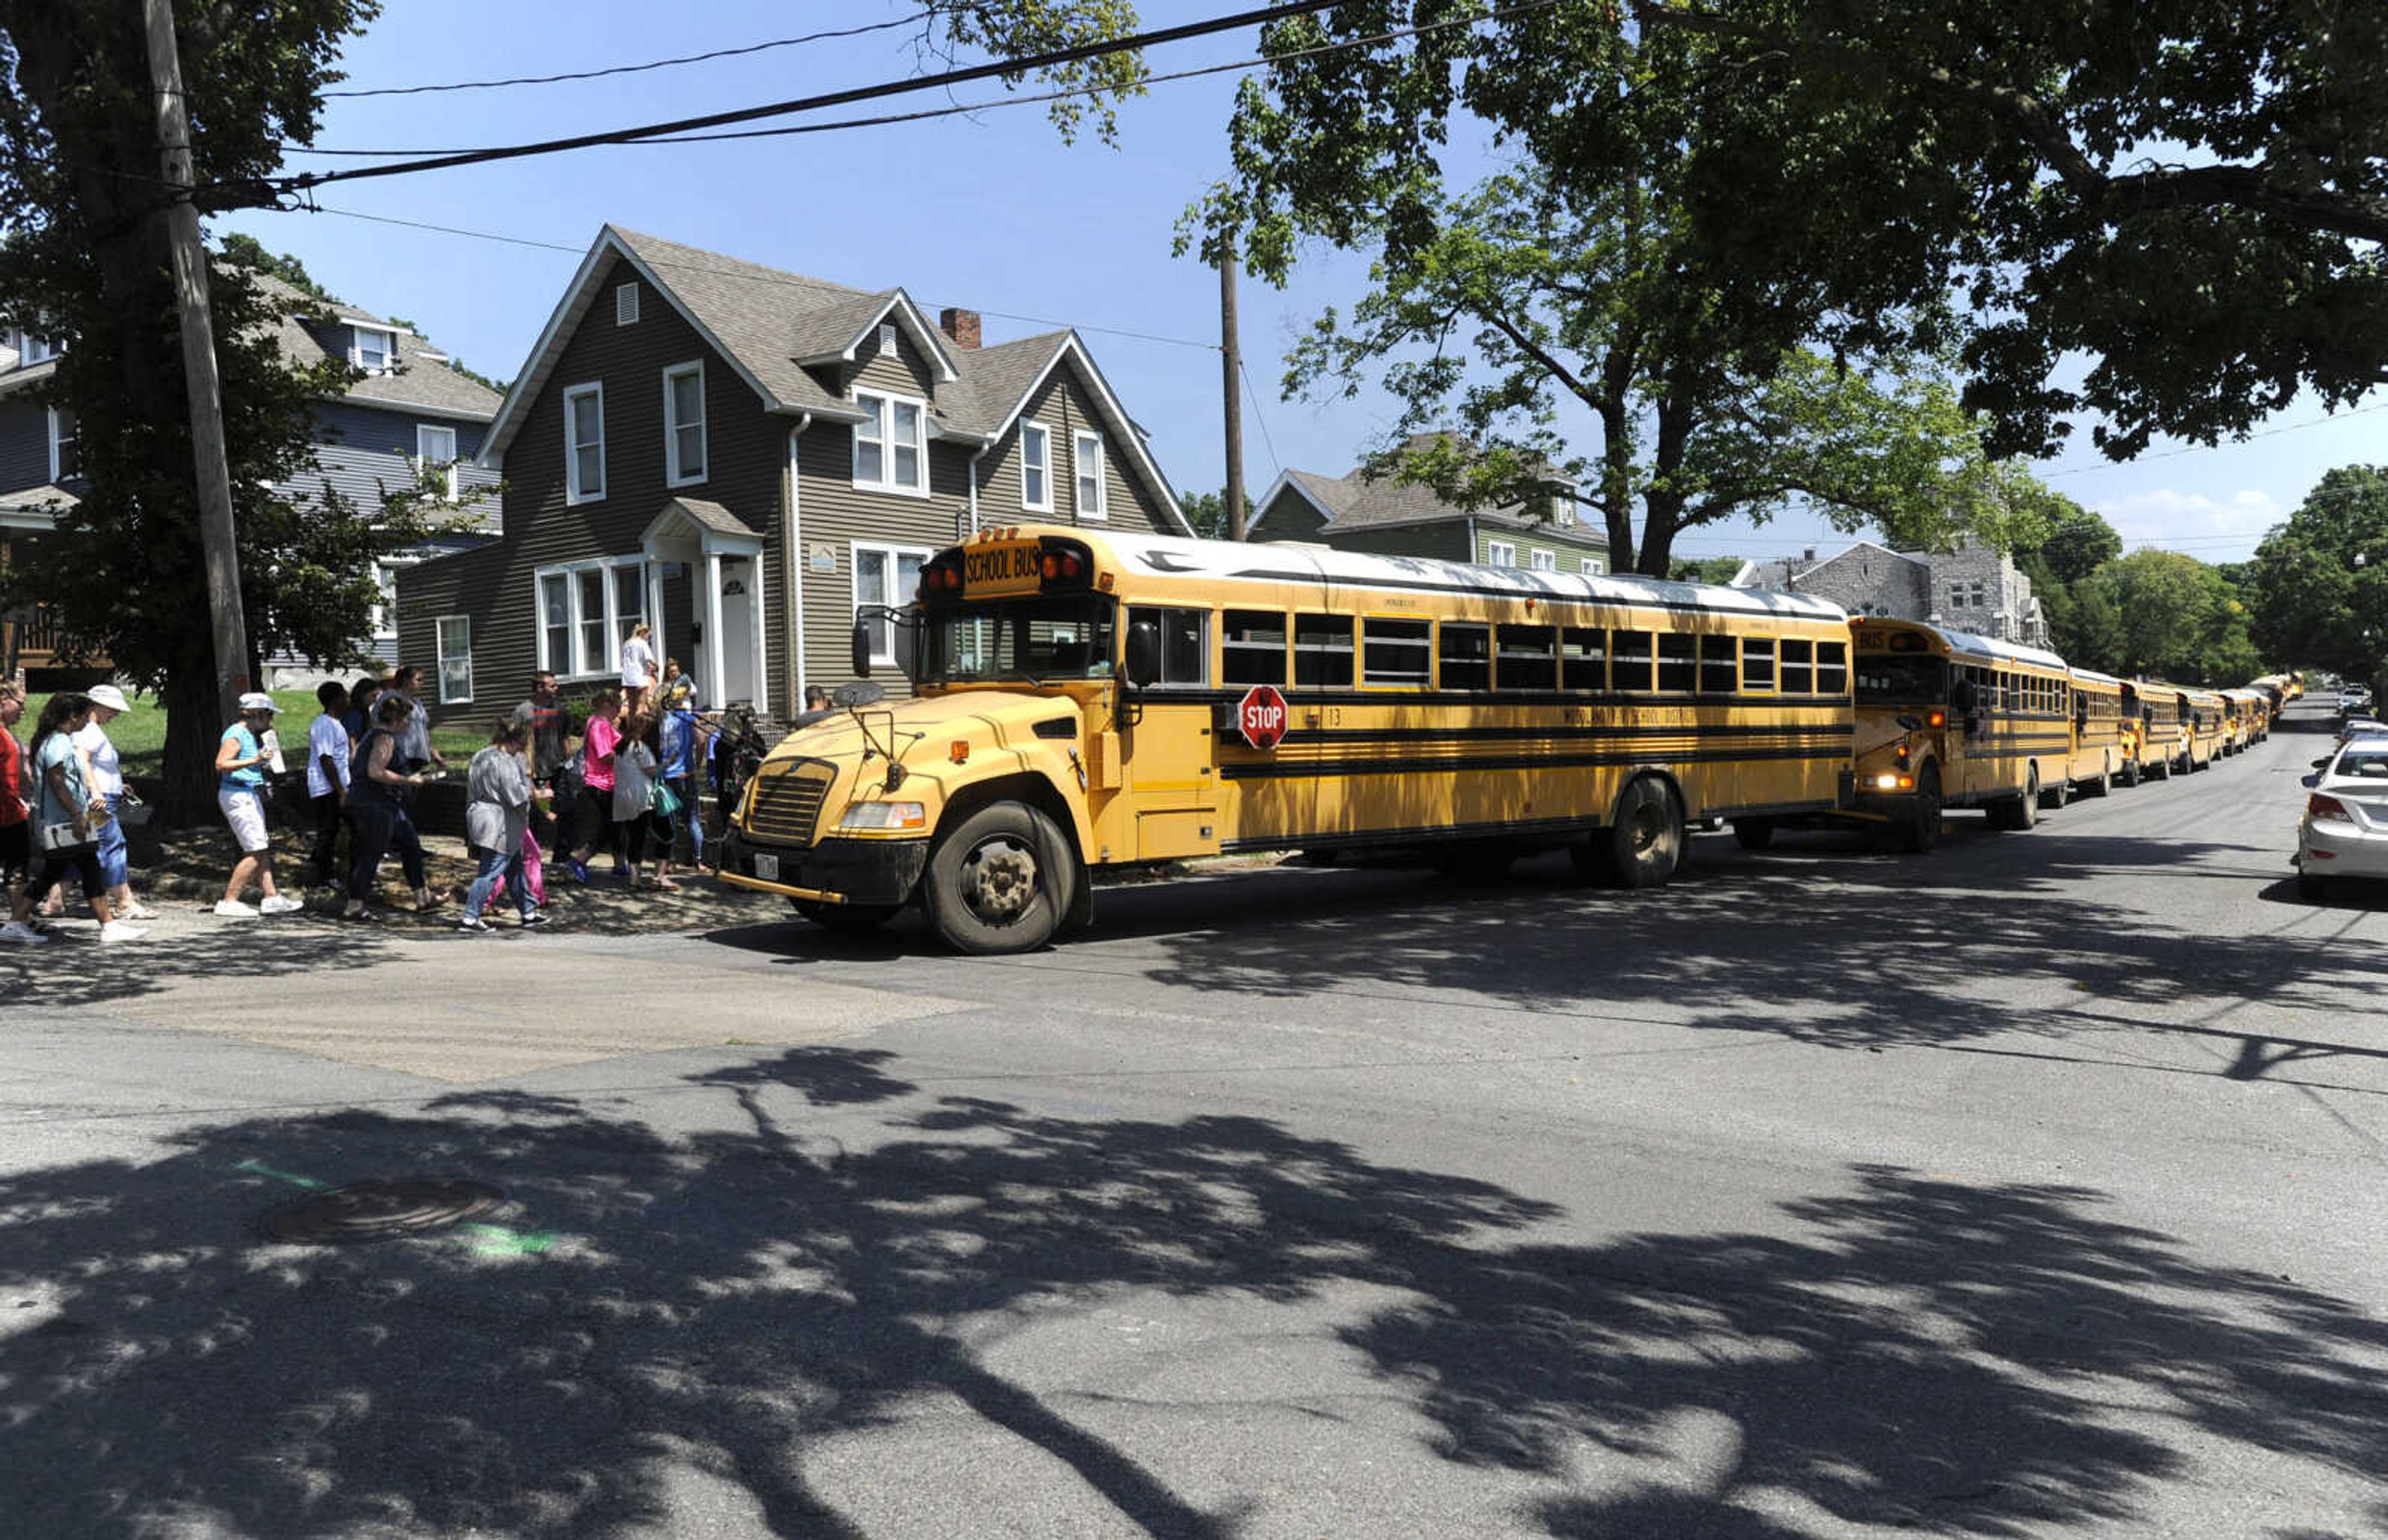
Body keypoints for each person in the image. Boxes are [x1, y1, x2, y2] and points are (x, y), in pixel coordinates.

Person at [4, 692, 142, 943]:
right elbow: (58, 782)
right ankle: (109, 926)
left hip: (61, 820)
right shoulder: (58, 743)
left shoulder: (54, 740)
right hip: (65, 820)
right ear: (72, 717)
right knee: (88, 868)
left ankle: (16, 923)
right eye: (84, 717)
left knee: (55, 872)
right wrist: (78, 815)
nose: (87, 723)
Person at [344, 693, 440, 920]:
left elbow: (357, 763)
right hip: (376, 804)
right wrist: (409, 780)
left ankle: (423, 897)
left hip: (385, 805)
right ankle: (354, 905)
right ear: (397, 719)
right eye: (406, 720)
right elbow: (375, 772)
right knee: (371, 853)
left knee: (411, 845)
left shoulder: (370, 736)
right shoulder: (385, 738)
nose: (407, 724)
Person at [214, 693, 303, 918]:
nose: (271, 720)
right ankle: (229, 901)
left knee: (260, 848)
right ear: (255, 713)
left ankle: (271, 898)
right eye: (269, 715)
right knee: (255, 852)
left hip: (246, 793)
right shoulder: (236, 734)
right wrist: (255, 759)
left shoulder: (248, 734)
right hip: (239, 794)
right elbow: (221, 764)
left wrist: (262, 755)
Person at [72, 684, 154, 921]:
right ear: (97, 706)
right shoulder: (90, 730)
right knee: (113, 843)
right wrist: (96, 791)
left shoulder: (90, 729)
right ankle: (124, 901)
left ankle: (55, 901)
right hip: (99, 801)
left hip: (102, 796)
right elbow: (82, 760)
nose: (115, 715)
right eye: (113, 710)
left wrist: (118, 785)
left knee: (81, 847)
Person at [458, 716, 547, 933]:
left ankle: (528, 912)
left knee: (515, 868)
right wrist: (541, 794)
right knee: (490, 870)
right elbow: (515, 796)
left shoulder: (481, 756)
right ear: (517, 741)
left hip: (482, 815)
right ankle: (470, 918)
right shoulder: (505, 762)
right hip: (500, 822)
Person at [567, 687, 622, 882]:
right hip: (600, 784)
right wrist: (627, 755)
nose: (619, 711)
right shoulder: (600, 725)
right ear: (607, 706)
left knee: (616, 826)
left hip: (605, 783)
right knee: (605, 830)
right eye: (618, 707)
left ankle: (620, 864)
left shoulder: (595, 722)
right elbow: (605, 755)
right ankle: (578, 860)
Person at [299, 680, 351, 888]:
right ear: (336, 700)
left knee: (335, 829)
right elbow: (326, 759)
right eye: (345, 695)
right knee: (327, 832)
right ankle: (324, 876)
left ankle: (318, 864)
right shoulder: (324, 725)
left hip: (338, 786)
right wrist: (340, 791)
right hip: (327, 787)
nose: (349, 698)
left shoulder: (336, 724)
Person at [659, 688, 708, 880]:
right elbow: (702, 740)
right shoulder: (689, 719)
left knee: (670, 819)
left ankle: (670, 862)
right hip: (686, 774)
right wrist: (697, 762)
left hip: (669, 775)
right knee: (693, 818)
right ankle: (699, 860)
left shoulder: (663, 720)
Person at [611, 710, 660, 888]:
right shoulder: (641, 748)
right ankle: (635, 879)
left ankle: (633, 877)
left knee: (632, 837)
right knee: (639, 838)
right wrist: (669, 763)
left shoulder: (621, 746)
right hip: (639, 797)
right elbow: (652, 771)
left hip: (622, 796)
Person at [0, 681, 30, 934]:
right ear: (3, 699)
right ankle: (19, 922)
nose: (23, 710)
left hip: (12, 810)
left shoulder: (6, 731)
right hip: (6, 810)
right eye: (20, 704)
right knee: (16, 865)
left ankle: (20, 920)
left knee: (17, 866)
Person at [391, 665, 445, 773]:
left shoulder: (418, 703)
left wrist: (435, 753)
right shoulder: (395, 701)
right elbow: (389, 729)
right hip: (404, 758)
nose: (422, 683)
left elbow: (424, 733)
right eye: (418, 680)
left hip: (421, 758)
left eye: (422, 680)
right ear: (406, 680)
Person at [620, 622, 659, 714]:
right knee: (641, 708)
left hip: (628, 680)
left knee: (631, 709)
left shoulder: (627, 644)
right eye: (648, 636)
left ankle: (631, 728)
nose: (648, 639)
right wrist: (657, 666)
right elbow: (649, 660)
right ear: (643, 633)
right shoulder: (642, 643)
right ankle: (639, 728)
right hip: (640, 679)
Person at [341, 674, 380, 745]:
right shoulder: (353, 713)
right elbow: (351, 738)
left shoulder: (363, 711)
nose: (375, 700)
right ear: (363, 694)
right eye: (373, 696)